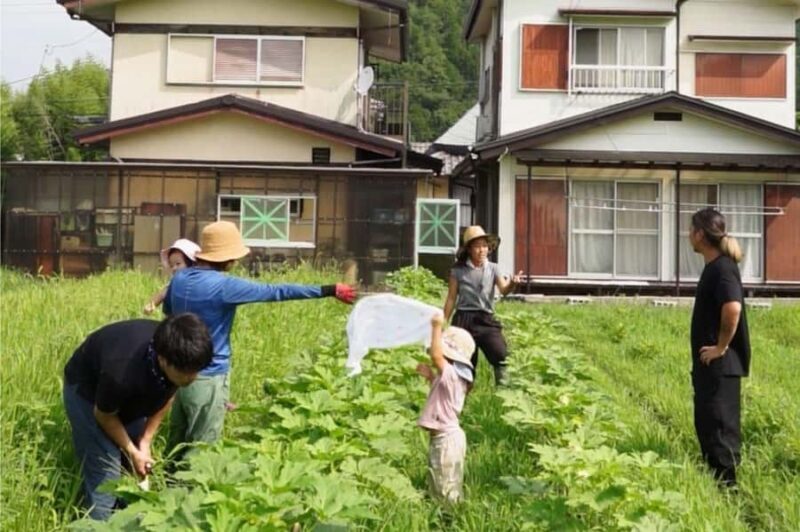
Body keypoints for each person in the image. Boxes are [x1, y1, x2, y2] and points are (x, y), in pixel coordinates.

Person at [163, 220, 356, 453]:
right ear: (227, 258)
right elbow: (276, 292)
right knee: (201, 450)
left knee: (176, 445)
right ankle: (191, 489)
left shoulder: (179, 279)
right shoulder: (224, 285)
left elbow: (169, 317)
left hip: (176, 377)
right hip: (209, 376)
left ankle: (168, 487)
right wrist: (328, 289)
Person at [63, 313, 213, 520]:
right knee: (106, 472)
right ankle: (99, 521)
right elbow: (104, 415)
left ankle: (126, 515)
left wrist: (145, 441)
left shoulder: (177, 356)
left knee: (131, 463)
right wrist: (132, 450)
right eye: (186, 372)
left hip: (126, 391)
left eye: (196, 370)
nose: (192, 378)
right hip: (87, 393)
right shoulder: (121, 372)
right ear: (163, 360)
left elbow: (169, 392)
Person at [688, 207, 751, 488]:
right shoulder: (715, 267)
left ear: (701, 234)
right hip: (711, 365)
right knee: (708, 423)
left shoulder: (723, 268)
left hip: (721, 365)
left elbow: (733, 307)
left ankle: (729, 490)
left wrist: (721, 347)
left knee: (720, 427)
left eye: (691, 230)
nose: (688, 235)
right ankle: (716, 487)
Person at [443, 225, 522, 386]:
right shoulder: (458, 270)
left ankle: (504, 395)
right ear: (469, 249)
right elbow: (451, 298)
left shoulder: (493, 268)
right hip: (463, 320)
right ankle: (460, 398)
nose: (482, 250)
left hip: (486, 319)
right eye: (477, 246)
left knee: (501, 355)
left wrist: (513, 283)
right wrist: (443, 321)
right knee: (463, 361)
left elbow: (504, 290)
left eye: (484, 246)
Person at [416, 312, 476, 504]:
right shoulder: (451, 378)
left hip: (447, 441)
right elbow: (441, 391)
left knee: (447, 488)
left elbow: (435, 356)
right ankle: (440, 512)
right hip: (443, 439)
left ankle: (449, 518)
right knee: (438, 480)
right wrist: (430, 377)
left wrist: (436, 327)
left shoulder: (451, 375)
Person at [144, 238, 201, 315]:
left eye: (178, 264)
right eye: (171, 265)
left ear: (192, 263)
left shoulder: (200, 282)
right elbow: (163, 293)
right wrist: (152, 304)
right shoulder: (175, 283)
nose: (174, 268)